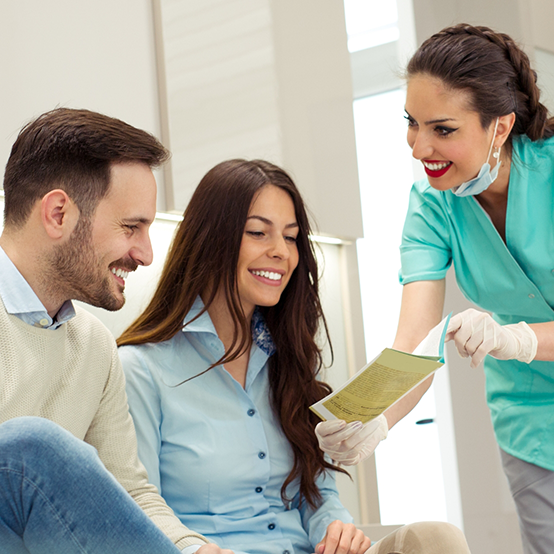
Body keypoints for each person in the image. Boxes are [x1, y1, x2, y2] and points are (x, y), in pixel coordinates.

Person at [117, 159, 471, 554]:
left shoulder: (288, 362)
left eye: (290, 237)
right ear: (211, 238)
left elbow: (317, 493)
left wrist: (337, 528)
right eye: (258, 233)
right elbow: (136, 511)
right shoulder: (140, 370)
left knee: (437, 540)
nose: (281, 252)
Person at [314, 23, 554, 554]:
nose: (419, 147)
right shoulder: (431, 205)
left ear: (501, 125)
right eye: (411, 123)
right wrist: (369, 421)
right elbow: (413, 343)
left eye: (442, 129)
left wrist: (514, 339)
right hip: (531, 425)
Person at [0, 108, 231, 554]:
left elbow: (130, 494)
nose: (145, 254)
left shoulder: (94, 344)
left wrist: (196, 549)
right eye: (131, 227)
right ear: (58, 213)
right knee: (31, 447)